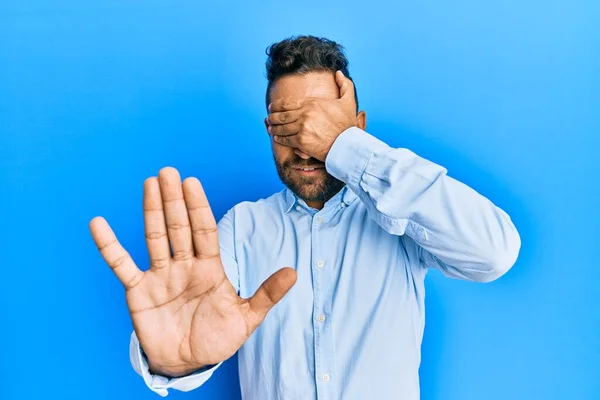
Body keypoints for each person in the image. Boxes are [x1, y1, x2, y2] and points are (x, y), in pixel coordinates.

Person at [90, 35, 521, 400]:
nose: (303, 147)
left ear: (358, 127)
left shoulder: (403, 214)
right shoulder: (243, 227)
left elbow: (494, 253)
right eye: (286, 127)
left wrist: (347, 148)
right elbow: (191, 327)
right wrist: (174, 361)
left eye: (317, 126)